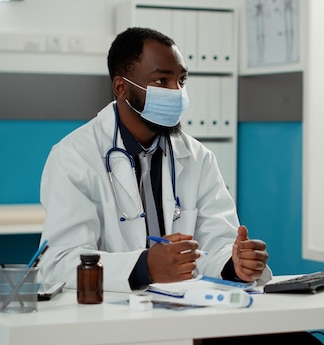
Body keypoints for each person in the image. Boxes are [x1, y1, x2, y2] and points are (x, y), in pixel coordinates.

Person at [38, 27, 271, 293]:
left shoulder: (198, 158)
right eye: (162, 81)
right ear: (121, 87)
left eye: (181, 81)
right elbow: (59, 263)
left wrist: (236, 264)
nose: (177, 92)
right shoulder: (75, 156)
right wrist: (143, 267)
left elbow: (216, 246)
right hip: (107, 318)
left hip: (186, 311)